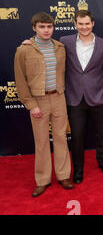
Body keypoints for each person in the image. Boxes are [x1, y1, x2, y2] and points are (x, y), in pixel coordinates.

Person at [14, 12, 74, 197]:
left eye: (49, 27)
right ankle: (42, 180)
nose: (46, 30)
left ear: (53, 28)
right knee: (41, 142)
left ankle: (63, 176)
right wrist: (31, 105)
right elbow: (20, 81)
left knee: (61, 138)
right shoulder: (23, 50)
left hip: (58, 98)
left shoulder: (60, 47)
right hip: (38, 100)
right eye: (42, 27)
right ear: (34, 28)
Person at [60, 10, 103, 183]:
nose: (84, 27)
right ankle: (78, 170)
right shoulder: (64, 42)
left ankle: (102, 162)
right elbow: (48, 49)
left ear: (92, 24)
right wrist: (30, 42)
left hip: (99, 97)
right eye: (80, 23)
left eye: (87, 23)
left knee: (101, 134)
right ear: (75, 24)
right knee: (77, 136)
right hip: (74, 98)